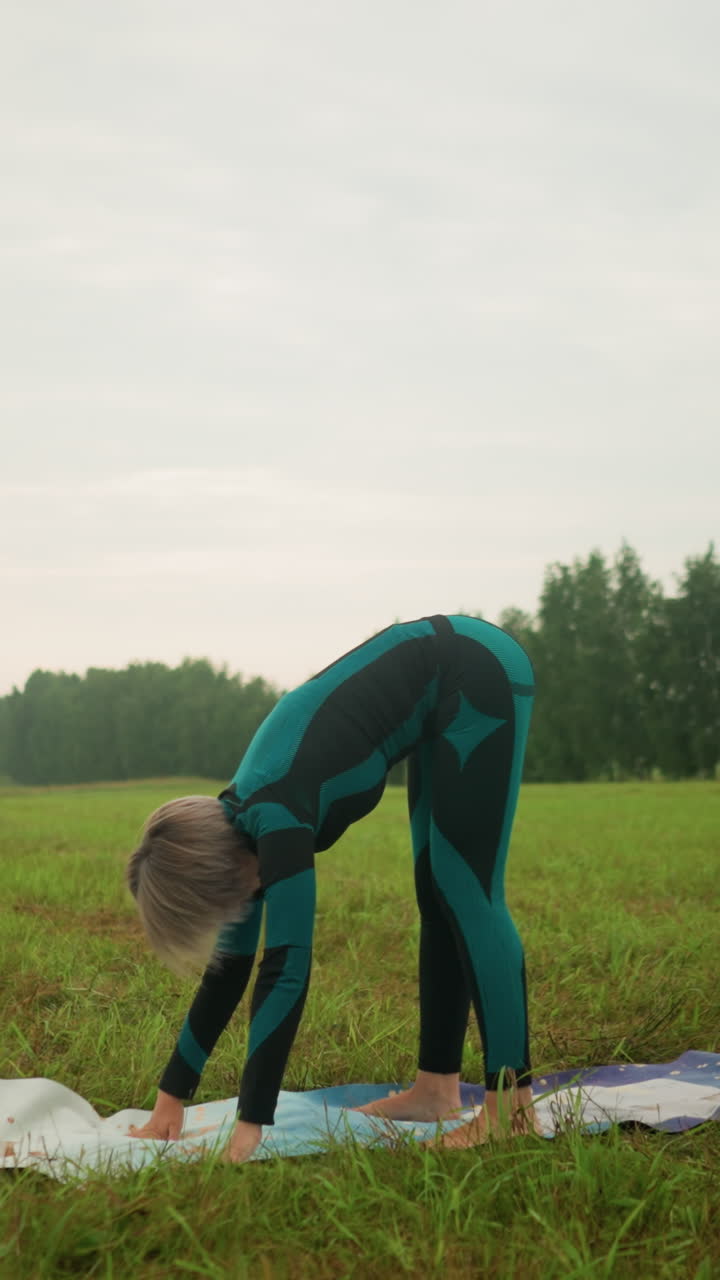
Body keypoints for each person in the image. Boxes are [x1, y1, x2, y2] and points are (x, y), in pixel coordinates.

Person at [127, 614, 538, 1162]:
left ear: (222, 873)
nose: (234, 912)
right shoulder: (234, 827)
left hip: (476, 667)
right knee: (436, 890)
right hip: (440, 685)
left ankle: (512, 1111)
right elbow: (227, 974)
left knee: (467, 892)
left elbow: (286, 967)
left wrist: (249, 1127)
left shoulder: (275, 816)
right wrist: (169, 1101)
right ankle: (436, 1091)